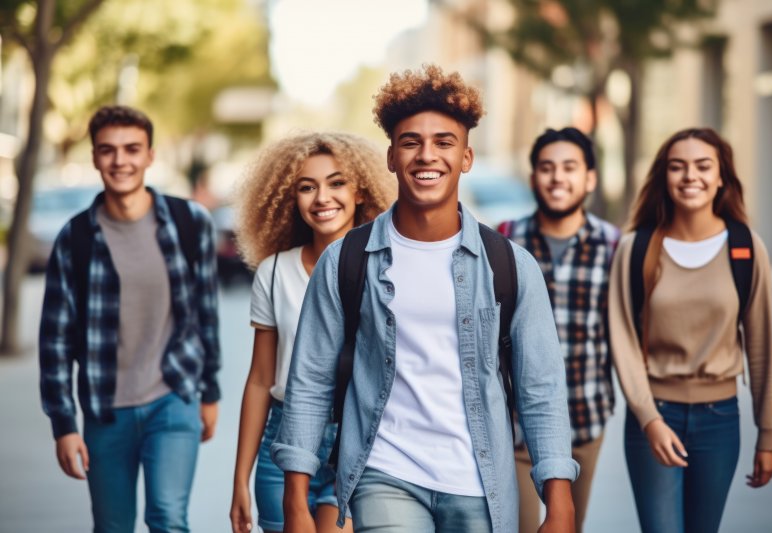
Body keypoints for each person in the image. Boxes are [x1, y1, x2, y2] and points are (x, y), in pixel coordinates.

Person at [271, 65, 579, 533]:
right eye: (411, 142)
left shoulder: (511, 266)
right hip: (384, 473)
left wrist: (559, 500)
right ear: (392, 156)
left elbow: (542, 390)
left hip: (479, 482)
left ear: (467, 157)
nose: (426, 156)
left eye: (444, 143)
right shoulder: (346, 261)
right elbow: (310, 381)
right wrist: (296, 498)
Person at [39, 105, 221, 532]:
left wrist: (209, 392)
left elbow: (206, 316)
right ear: (95, 157)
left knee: (168, 519)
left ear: (150, 156)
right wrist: (64, 425)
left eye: (132, 149)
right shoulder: (75, 237)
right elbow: (55, 341)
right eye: (108, 150)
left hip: (173, 397)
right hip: (106, 409)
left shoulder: (189, 222)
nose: (120, 161)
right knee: (113, 526)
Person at [608, 127, 772, 533]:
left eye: (703, 166)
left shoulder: (746, 247)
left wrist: (768, 435)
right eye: (677, 167)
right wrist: (650, 419)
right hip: (654, 416)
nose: (690, 176)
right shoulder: (635, 249)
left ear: (721, 176)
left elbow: (761, 344)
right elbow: (624, 343)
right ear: (663, 178)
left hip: (720, 420)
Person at [229, 132, 396, 533]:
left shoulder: (386, 268)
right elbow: (259, 380)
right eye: (307, 187)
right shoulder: (273, 273)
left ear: (361, 192)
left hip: (358, 438)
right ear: (292, 199)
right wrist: (240, 478)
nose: (322, 197)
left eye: (337, 183)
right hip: (284, 441)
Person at [497, 127, 618, 532]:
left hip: (584, 422)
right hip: (515, 431)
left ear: (590, 178)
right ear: (533, 178)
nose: (557, 178)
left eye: (569, 167)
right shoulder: (505, 243)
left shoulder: (614, 247)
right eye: (546, 168)